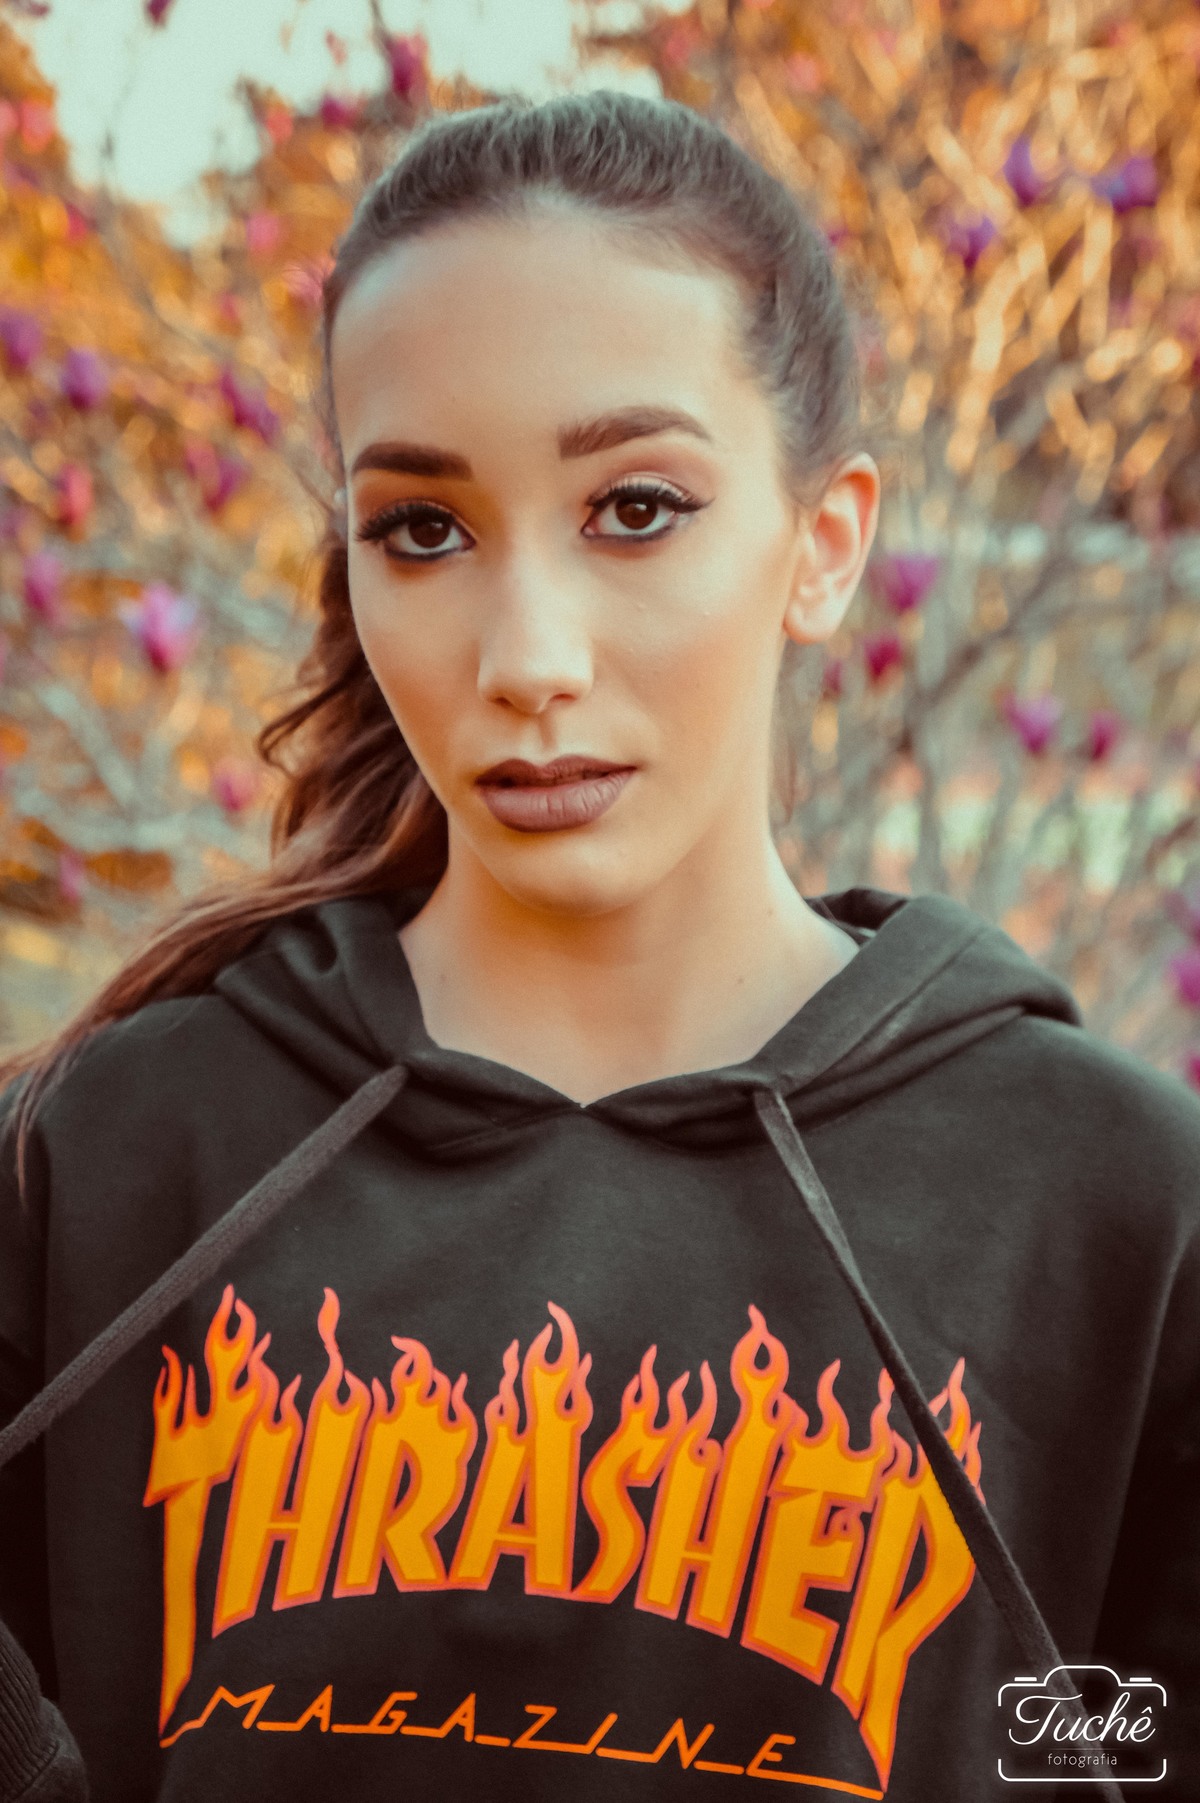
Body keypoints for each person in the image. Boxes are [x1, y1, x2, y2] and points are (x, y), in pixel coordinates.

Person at [0, 89, 1196, 1803]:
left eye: (634, 508)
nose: (528, 658)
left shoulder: (1119, 1212)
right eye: (424, 530)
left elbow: (1120, 1738)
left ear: (824, 545)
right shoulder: (109, 1158)